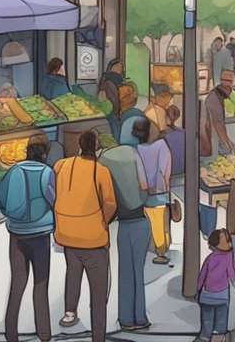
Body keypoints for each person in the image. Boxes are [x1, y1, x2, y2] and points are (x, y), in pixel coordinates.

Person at [51, 132, 115, 341]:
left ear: (79, 145)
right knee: (98, 291)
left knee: (73, 273)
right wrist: (102, 222)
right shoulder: (101, 171)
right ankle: (98, 335)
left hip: (67, 234)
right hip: (93, 239)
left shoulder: (61, 165)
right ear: (96, 148)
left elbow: (53, 191)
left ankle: (69, 313)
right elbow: (110, 203)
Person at [0, 140, 56, 342]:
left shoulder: (14, 171)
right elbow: (53, 198)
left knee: (17, 284)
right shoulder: (47, 172)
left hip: (17, 235)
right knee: (40, 283)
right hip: (40, 235)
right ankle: (44, 332)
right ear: (45, 155)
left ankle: (11, 333)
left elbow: (2, 197)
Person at [99, 136, 150, 331]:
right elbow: (145, 185)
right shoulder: (133, 153)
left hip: (123, 223)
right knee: (138, 271)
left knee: (125, 271)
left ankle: (126, 318)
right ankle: (140, 317)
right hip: (141, 220)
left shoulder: (104, 160)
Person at [135, 120, 173, 265]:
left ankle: (154, 248)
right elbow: (165, 170)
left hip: (144, 193)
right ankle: (160, 252)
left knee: (151, 222)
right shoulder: (161, 146)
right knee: (160, 223)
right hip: (159, 192)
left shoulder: (137, 149)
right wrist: (166, 187)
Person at [196, 228, 235, 342]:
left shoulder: (210, 258)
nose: (230, 242)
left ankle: (204, 337)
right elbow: (232, 274)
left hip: (206, 295)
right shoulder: (229, 257)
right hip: (222, 296)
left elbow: (202, 275)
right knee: (221, 319)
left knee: (207, 319)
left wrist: (199, 289)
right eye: (227, 239)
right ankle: (218, 337)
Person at [200, 72, 235, 158]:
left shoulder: (217, 95)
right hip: (205, 140)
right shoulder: (214, 99)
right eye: (230, 85)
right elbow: (219, 125)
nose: (231, 88)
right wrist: (230, 147)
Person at [116, 82, 147, 147]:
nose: (127, 95)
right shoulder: (111, 113)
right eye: (128, 90)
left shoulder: (133, 114)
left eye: (128, 90)